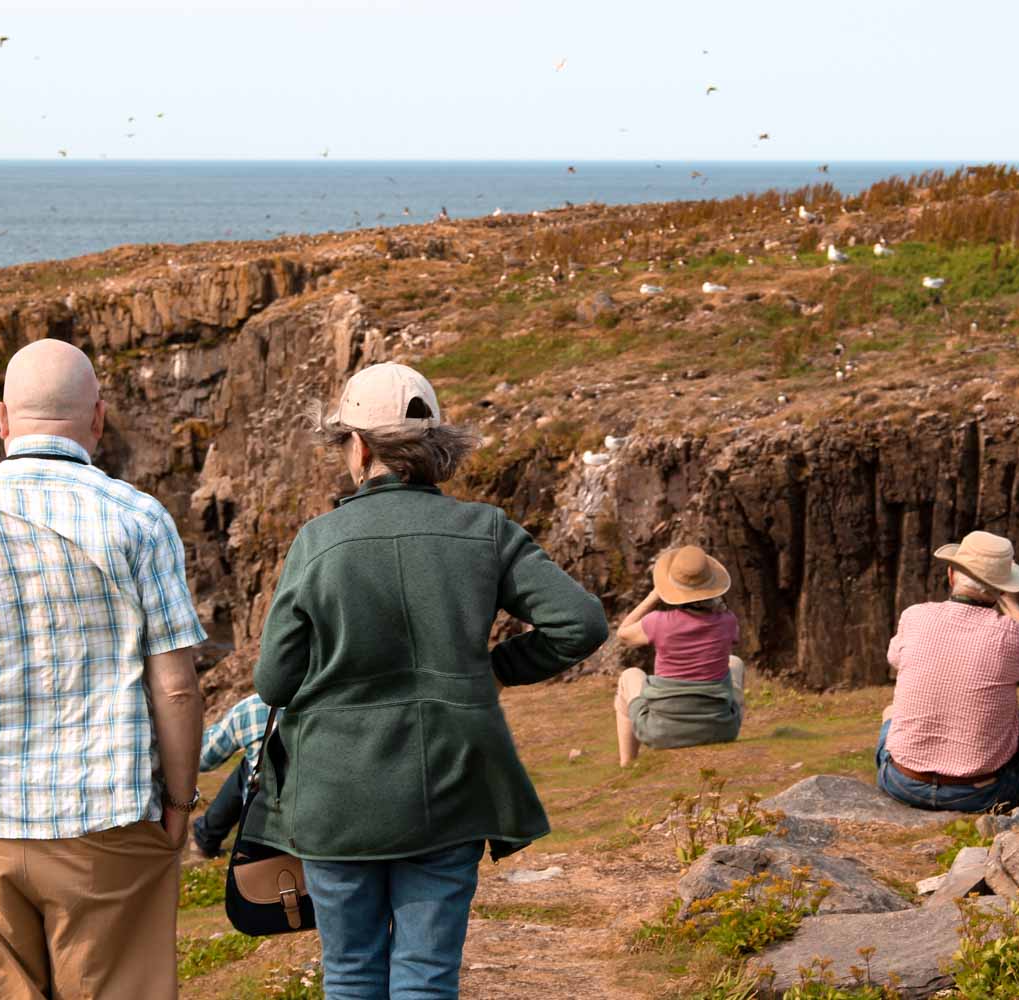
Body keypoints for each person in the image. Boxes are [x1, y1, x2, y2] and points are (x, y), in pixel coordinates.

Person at [251, 362, 608, 1000]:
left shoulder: (317, 542)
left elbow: (275, 681)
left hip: (337, 792)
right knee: (427, 973)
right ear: (434, 445)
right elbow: (580, 624)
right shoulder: (488, 531)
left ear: (358, 447)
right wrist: (494, 669)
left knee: (353, 970)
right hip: (453, 780)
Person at [0, 339, 208, 1000]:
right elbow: (176, 684)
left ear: (2, 420)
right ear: (98, 420)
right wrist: (179, 799)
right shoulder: (139, 519)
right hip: (108, 811)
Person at [877, 530, 1019, 812]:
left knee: (890, 711)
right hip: (977, 795)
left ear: (951, 575)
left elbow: (896, 659)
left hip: (900, 782)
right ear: (1003, 588)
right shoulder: (1014, 636)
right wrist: (1010, 604)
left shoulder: (914, 616)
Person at [612, 544, 744, 767]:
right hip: (722, 730)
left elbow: (623, 633)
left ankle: (628, 764)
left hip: (661, 732)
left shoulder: (658, 622)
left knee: (630, 675)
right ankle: (725, 718)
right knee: (735, 663)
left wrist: (654, 596)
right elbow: (735, 638)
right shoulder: (728, 621)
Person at [189, 692, 277, 860]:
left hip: (263, 834)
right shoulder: (336, 700)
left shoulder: (253, 707)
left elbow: (203, 758)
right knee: (250, 766)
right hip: (324, 831)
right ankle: (206, 837)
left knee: (252, 767)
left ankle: (205, 838)